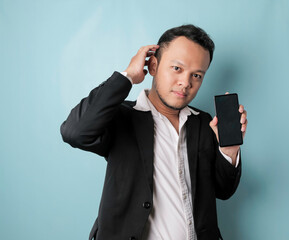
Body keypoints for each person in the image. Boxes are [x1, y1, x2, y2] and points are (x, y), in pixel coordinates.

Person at [60, 24, 248, 240]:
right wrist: (128, 76)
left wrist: (229, 151)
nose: (185, 83)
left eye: (196, 75)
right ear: (154, 66)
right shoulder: (121, 117)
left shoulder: (204, 123)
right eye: (177, 68)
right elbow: (75, 132)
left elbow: (223, 191)